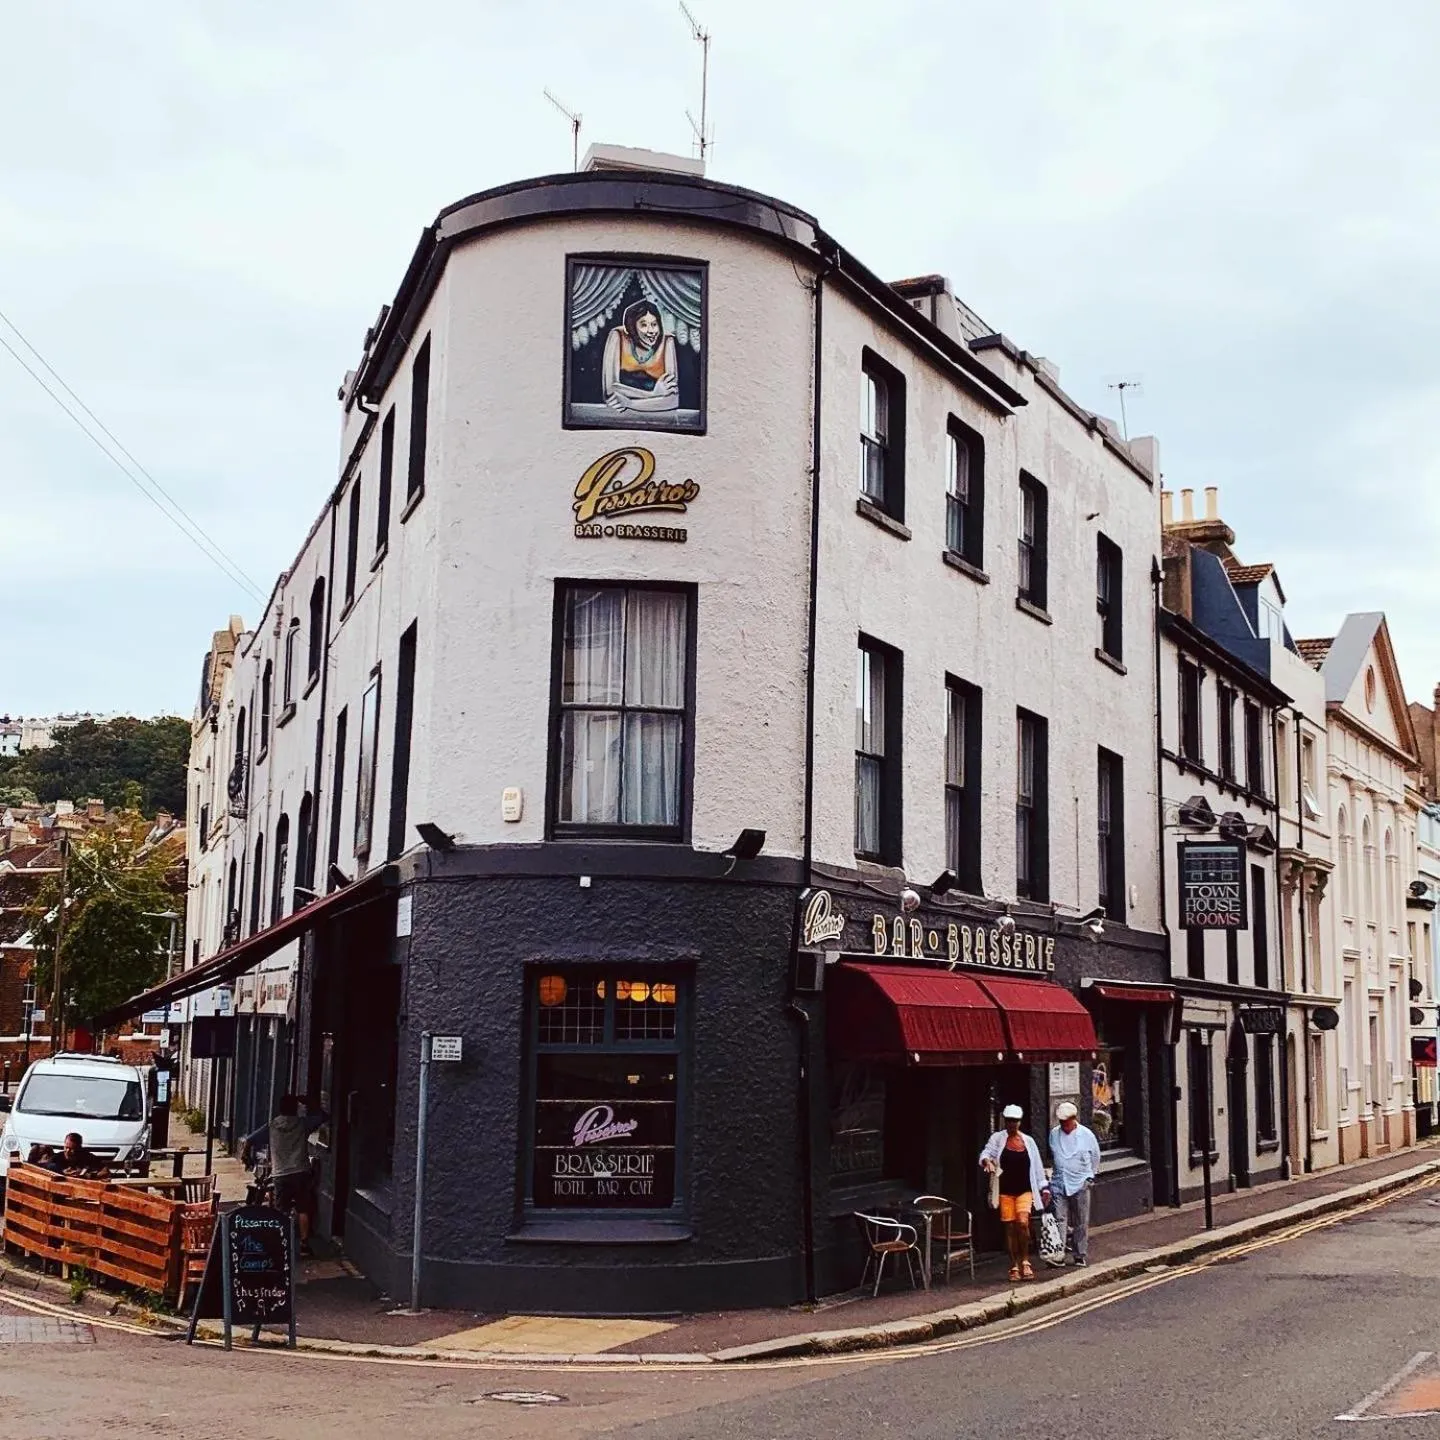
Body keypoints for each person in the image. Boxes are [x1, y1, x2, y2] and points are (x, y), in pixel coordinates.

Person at [242, 1094, 327, 1255]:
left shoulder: (272, 1126)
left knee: (281, 1211)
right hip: (301, 1171)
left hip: (280, 1173)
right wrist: (309, 1101)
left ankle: (281, 1242)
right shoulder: (302, 1124)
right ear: (295, 1108)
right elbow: (322, 1116)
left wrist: (246, 1155)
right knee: (303, 1208)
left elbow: (250, 1140)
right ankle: (303, 1244)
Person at [980, 1104, 1050, 1282]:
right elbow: (986, 1152)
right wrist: (987, 1161)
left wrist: (1044, 1187)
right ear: (1005, 1120)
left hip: (1025, 1189)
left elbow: (1037, 1166)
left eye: (1015, 1121)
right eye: (1009, 1120)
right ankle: (1013, 1265)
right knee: (1010, 1228)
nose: (1012, 1124)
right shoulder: (998, 1138)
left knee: (1023, 1223)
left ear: (1020, 1122)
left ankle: (1025, 1261)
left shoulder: (1028, 1141)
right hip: (1005, 1191)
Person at [1047, 1101, 1102, 1267]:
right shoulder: (1054, 1134)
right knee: (1059, 1219)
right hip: (1059, 1182)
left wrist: (1090, 1177)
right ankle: (1059, 1254)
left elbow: (1095, 1156)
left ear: (1074, 1119)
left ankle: (1079, 1254)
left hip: (1080, 1183)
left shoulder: (1086, 1135)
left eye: (1066, 1122)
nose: (1064, 1125)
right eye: (1061, 1122)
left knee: (1080, 1221)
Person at [601, 299, 679, 413]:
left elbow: (673, 400)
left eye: (654, 324)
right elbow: (611, 390)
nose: (651, 331)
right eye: (643, 325)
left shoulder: (667, 341)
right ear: (631, 327)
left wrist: (629, 403)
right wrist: (654, 395)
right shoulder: (617, 336)